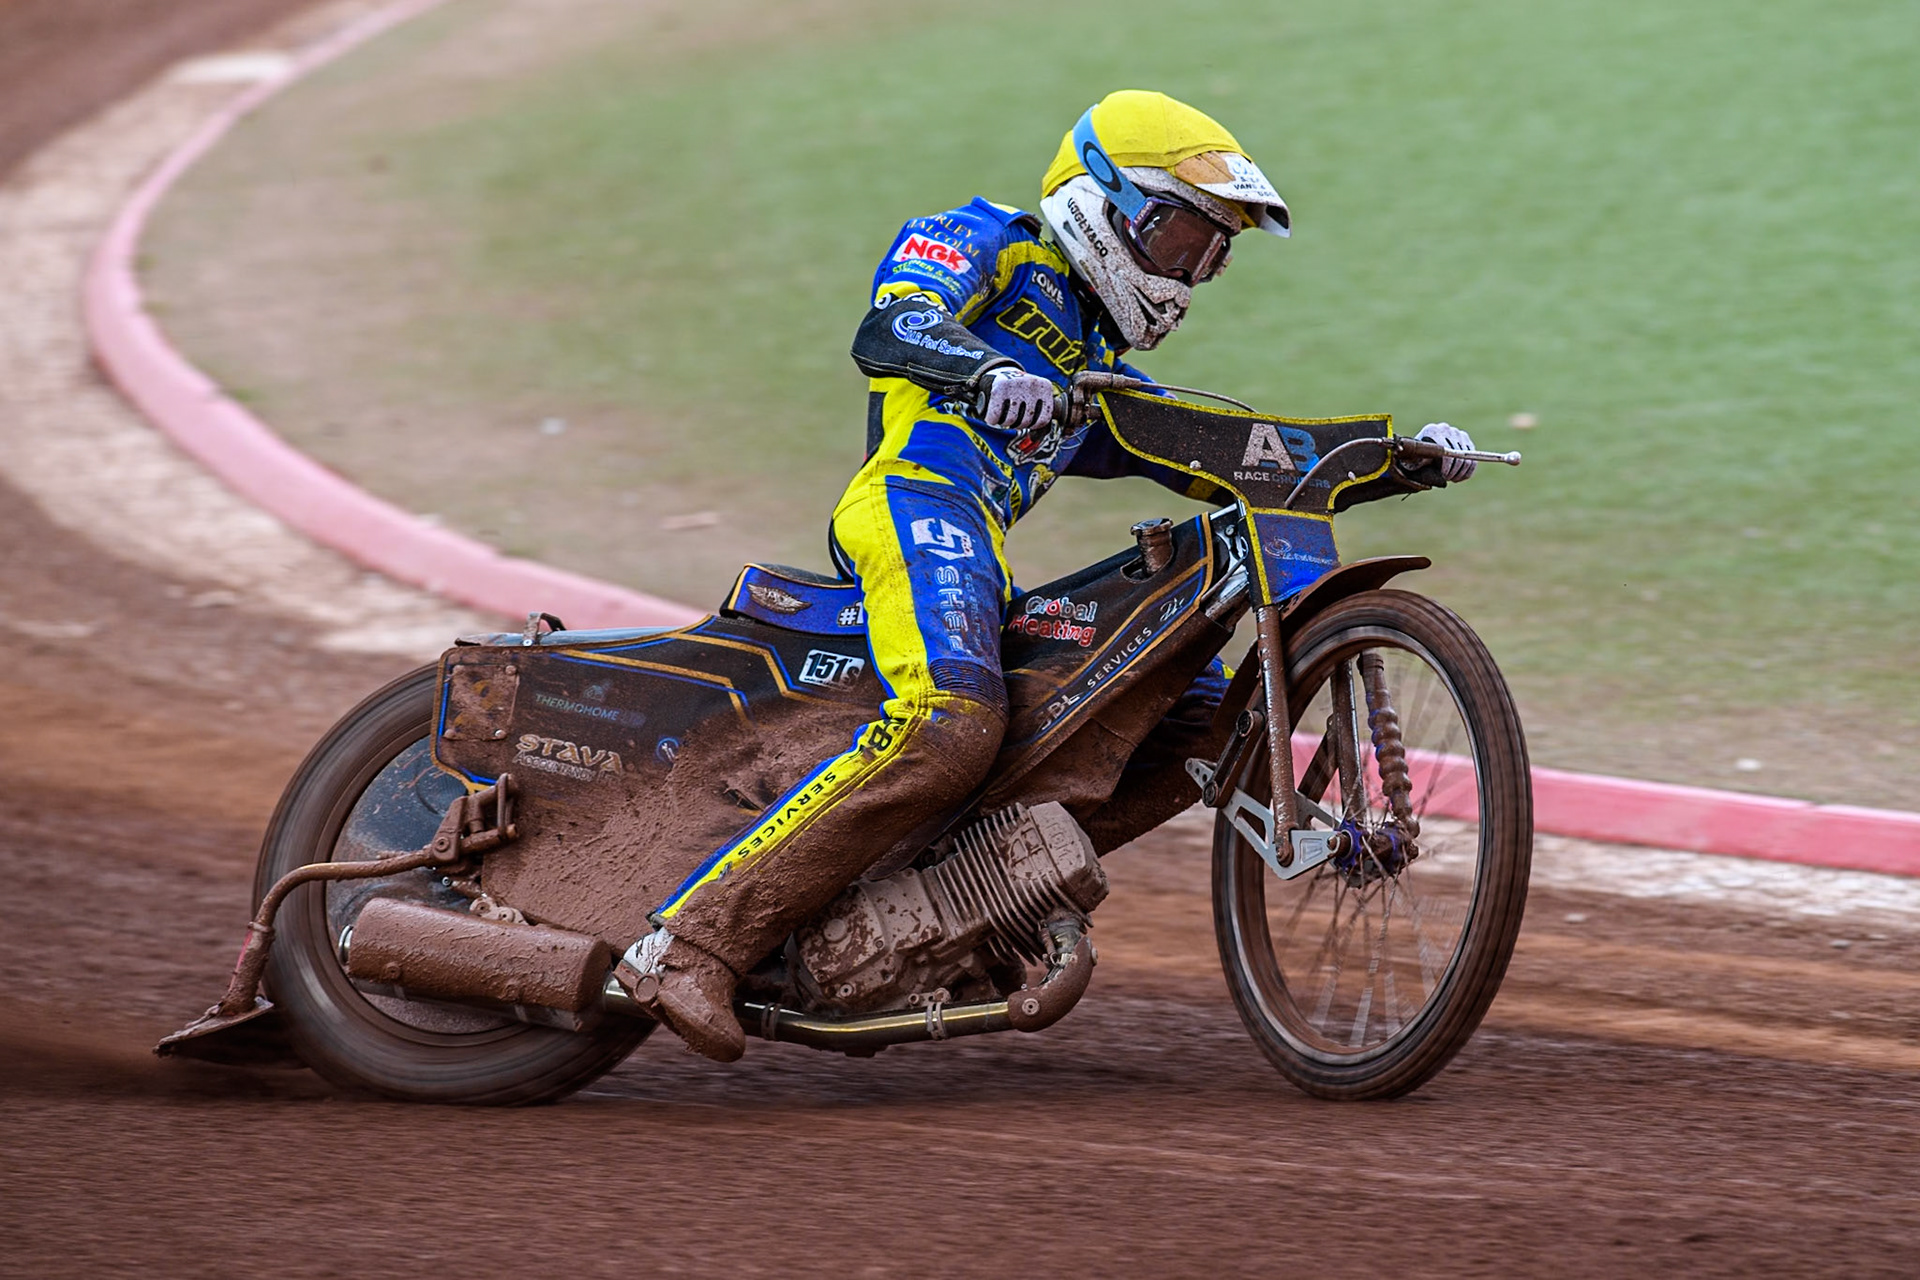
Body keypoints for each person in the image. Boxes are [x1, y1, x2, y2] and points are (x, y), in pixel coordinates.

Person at [616, 90, 1477, 1060]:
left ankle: (963, 907)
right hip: (912, 507)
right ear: (1102, 203)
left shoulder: (1103, 370)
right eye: (1180, 237)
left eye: (1209, 256)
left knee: (1196, 722)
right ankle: (687, 942)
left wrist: (1388, 459)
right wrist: (982, 371)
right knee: (951, 727)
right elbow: (892, 325)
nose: (1187, 274)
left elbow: (1235, 453)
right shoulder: (985, 238)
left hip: (979, 551)